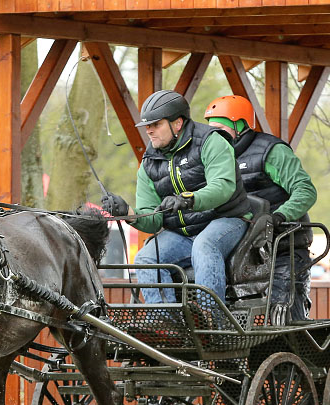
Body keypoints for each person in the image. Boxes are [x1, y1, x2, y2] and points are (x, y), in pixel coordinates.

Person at [100, 90, 251, 318]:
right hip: (182, 232)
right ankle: (168, 323)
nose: (149, 130)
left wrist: (189, 199)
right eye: (147, 125)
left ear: (177, 123)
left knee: (204, 245)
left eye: (156, 124)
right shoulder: (149, 163)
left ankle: (212, 320)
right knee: (145, 258)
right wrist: (127, 212)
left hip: (226, 220)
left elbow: (223, 187)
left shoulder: (211, 141)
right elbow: (153, 220)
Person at [201, 94, 318, 323]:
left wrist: (279, 216)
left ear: (241, 125)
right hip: (246, 255)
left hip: (284, 247)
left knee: (285, 320)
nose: (214, 136)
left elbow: (305, 190)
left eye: (220, 129)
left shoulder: (271, 151)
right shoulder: (212, 157)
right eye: (210, 131)